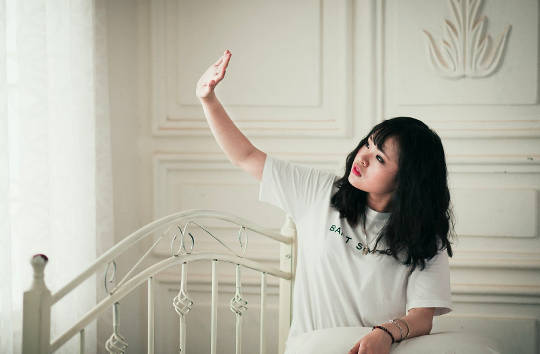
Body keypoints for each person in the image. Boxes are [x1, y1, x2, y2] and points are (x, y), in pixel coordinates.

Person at [197, 50, 455, 354]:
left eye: (380, 158)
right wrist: (208, 100)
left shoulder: (425, 237)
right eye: (369, 143)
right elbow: (246, 156)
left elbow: (422, 317)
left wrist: (384, 334)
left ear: (406, 181)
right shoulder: (320, 192)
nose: (363, 157)